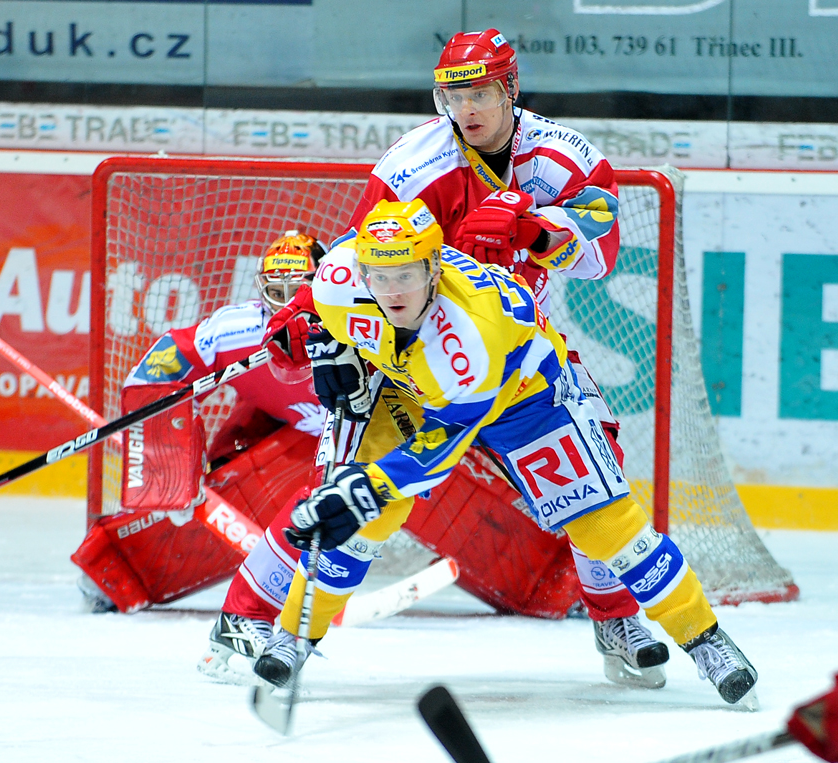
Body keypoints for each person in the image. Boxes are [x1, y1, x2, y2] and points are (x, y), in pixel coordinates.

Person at [266, 28, 668, 689]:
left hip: (514, 351)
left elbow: (600, 256)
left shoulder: (563, 158)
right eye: (454, 96)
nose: (467, 109)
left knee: (597, 467)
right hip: (407, 358)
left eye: (480, 92)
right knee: (351, 480)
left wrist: (535, 229)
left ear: (511, 88)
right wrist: (312, 320)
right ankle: (291, 633)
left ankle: (617, 618)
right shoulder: (412, 165)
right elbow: (355, 255)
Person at [253, 199, 758, 708]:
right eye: (379, 277)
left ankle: (706, 639)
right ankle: (293, 635)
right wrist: (319, 334)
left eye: (405, 275)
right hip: (411, 388)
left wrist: (366, 488)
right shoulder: (339, 278)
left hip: (523, 395)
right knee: (365, 522)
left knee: (605, 525)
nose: (392, 292)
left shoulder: (468, 337)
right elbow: (331, 277)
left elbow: (439, 449)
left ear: (434, 269)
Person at [73, 231, 329, 620]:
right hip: (276, 422)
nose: (288, 304)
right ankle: (115, 570)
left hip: (361, 436)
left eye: (298, 291)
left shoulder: (358, 324)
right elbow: (151, 379)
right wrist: (173, 472)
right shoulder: (237, 330)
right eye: (277, 292)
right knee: (222, 477)